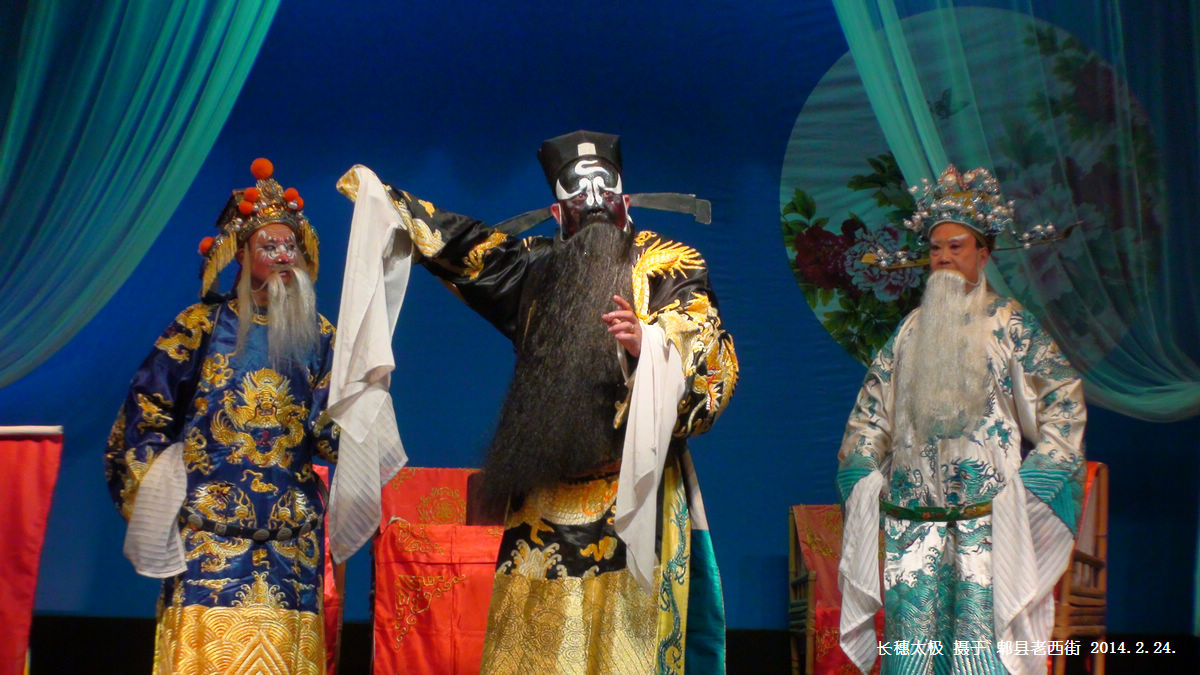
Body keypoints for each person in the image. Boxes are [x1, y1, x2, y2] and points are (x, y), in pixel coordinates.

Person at [335, 130, 738, 674]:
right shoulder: (535, 268)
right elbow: (463, 248)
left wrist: (649, 346)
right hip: (543, 503)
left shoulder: (669, 263)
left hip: (634, 497)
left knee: (628, 651)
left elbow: (706, 346)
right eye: (579, 197)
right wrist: (389, 202)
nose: (594, 203)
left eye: (605, 193)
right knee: (536, 652)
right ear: (556, 212)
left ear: (625, 199)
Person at [836, 166, 1087, 675]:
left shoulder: (1011, 324)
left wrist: (1031, 486)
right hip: (913, 526)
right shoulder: (909, 333)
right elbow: (869, 417)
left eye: (957, 247)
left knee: (980, 653)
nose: (944, 258)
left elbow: (1064, 401)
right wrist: (864, 478)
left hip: (987, 526)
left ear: (983, 254)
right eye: (936, 249)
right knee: (910, 654)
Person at [105, 158, 338, 673]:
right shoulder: (200, 327)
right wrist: (164, 499)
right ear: (241, 254)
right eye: (269, 246)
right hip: (208, 539)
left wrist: (368, 397)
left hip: (289, 549)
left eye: (291, 246)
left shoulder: (321, 336)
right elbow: (145, 414)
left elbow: (329, 434)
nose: (284, 255)